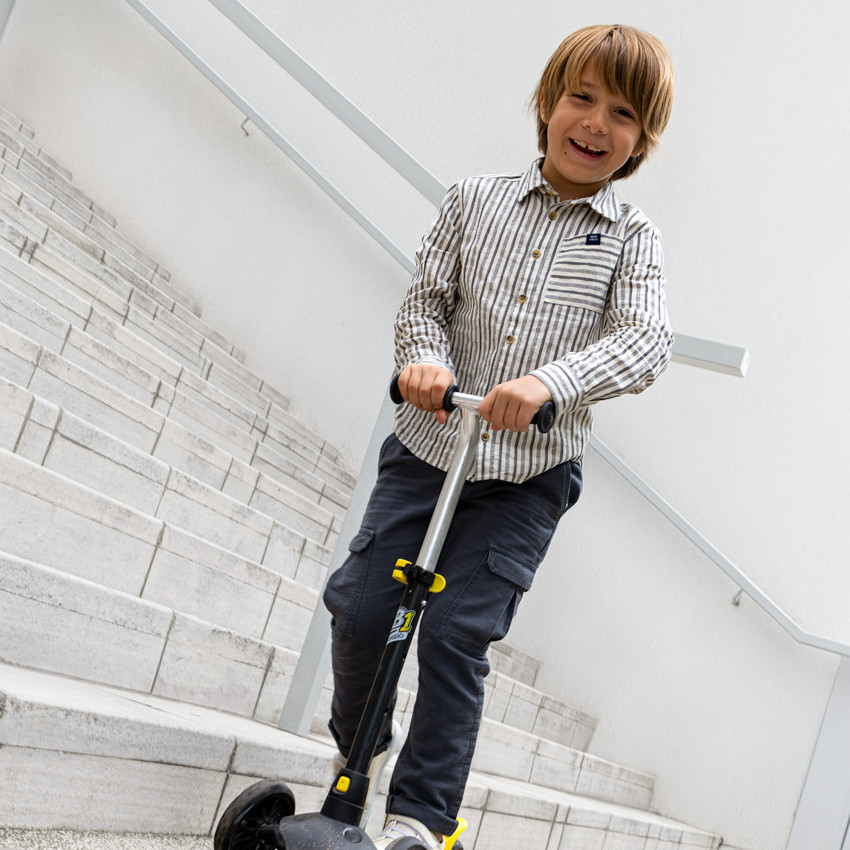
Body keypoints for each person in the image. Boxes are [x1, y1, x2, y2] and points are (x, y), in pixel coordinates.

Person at [323, 23, 675, 850]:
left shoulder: (632, 240)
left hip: (526, 478)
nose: (596, 124)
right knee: (361, 608)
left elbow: (646, 340)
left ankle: (421, 822)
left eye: (623, 113)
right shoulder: (473, 200)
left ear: (642, 138)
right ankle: (356, 755)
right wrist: (424, 362)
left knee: (454, 633)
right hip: (429, 450)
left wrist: (550, 383)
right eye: (582, 98)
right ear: (547, 102)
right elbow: (427, 302)